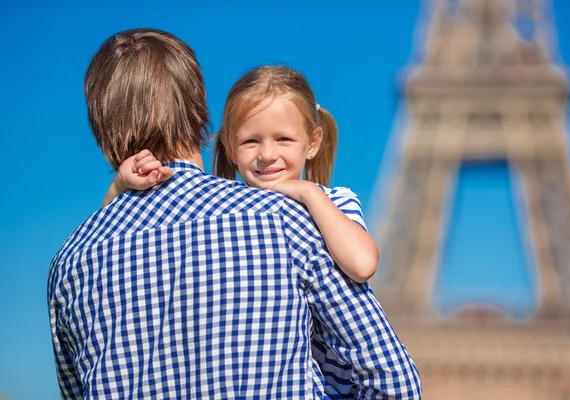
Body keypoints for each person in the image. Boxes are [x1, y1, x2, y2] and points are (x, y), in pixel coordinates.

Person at [48, 28, 422, 399]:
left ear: (99, 126)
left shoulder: (70, 264)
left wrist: (116, 189)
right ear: (202, 106)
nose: (267, 154)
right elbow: (394, 383)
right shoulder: (285, 221)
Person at [106, 65, 378, 284]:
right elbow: (112, 235)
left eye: (283, 139)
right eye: (251, 142)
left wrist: (309, 192)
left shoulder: (335, 201)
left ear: (313, 142)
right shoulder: (221, 212)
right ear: (230, 148)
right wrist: (119, 185)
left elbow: (363, 265)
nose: (267, 154)